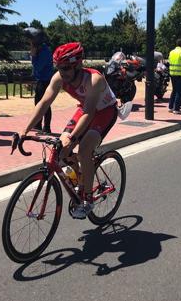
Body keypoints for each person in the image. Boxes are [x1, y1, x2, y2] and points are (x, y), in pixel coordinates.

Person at [19, 42, 118, 219]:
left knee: (84, 149)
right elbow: (43, 103)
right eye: (58, 67)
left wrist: (72, 137)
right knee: (61, 151)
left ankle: (88, 199)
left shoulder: (94, 79)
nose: (62, 72)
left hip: (104, 112)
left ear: (78, 65)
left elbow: (89, 113)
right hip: (85, 108)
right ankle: (80, 178)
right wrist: (24, 131)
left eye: (65, 68)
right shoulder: (59, 78)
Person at [24, 27, 53, 133]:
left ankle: (47, 127)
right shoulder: (42, 50)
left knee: (45, 104)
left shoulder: (44, 52)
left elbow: (38, 67)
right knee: (38, 103)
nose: (30, 44)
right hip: (41, 80)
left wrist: (33, 56)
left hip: (45, 81)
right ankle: (38, 125)